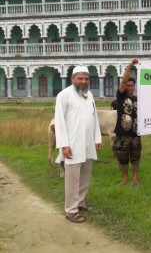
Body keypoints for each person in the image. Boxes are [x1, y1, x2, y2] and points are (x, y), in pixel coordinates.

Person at [55, 65, 102, 223]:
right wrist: (64, 145)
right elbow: (60, 122)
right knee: (72, 179)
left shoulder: (89, 95)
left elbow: (94, 118)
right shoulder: (64, 95)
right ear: (72, 79)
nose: (83, 81)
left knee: (85, 175)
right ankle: (70, 210)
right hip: (72, 145)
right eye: (80, 78)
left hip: (88, 143)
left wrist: (97, 138)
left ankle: (80, 202)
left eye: (86, 79)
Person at [112, 58, 142, 186]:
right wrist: (130, 66)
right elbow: (124, 81)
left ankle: (135, 178)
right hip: (122, 134)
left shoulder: (137, 99)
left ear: (134, 87)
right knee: (123, 158)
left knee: (135, 157)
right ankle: (125, 179)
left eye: (131, 86)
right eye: (127, 86)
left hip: (135, 134)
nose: (129, 87)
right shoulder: (121, 97)